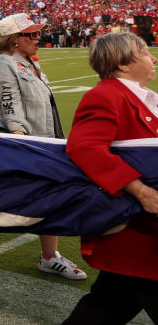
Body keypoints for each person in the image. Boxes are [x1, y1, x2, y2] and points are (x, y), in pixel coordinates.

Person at [0, 13, 86, 279]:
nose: (37, 38)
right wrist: (23, 139)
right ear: (14, 39)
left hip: (42, 136)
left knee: (45, 194)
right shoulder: (2, 63)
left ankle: (47, 255)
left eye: (36, 33)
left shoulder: (28, 61)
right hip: (21, 138)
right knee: (36, 194)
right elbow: (11, 104)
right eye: (30, 34)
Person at [63, 31, 158, 323]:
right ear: (123, 64)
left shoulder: (137, 96)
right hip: (135, 233)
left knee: (104, 308)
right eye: (144, 52)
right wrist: (140, 190)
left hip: (138, 241)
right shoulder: (106, 95)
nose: (152, 57)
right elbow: (85, 146)